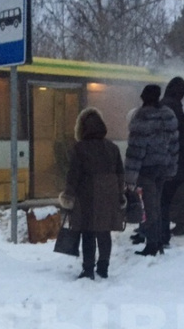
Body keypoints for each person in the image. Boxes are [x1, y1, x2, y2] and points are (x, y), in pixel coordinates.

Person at [59, 107, 125, 280]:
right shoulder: (112, 147)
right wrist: (120, 194)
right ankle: (103, 267)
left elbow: (73, 175)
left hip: (86, 196)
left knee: (87, 232)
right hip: (108, 196)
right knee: (104, 233)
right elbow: (120, 172)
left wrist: (68, 195)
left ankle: (88, 269)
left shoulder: (79, 148)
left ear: (81, 128)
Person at [125, 84, 178, 256]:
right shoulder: (168, 115)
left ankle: (153, 244)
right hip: (163, 167)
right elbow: (174, 145)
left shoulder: (142, 116)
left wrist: (130, 177)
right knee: (158, 204)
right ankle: (159, 241)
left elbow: (135, 149)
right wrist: (171, 167)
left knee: (150, 208)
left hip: (147, 169)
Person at [160, 77, 184, 242]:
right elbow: (180, 134)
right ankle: (166, 231)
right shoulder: (174, 106)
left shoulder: (164, 104)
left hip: (165, 158)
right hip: (176, 159)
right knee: (173, 195)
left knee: (162, 197)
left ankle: (161, 230)